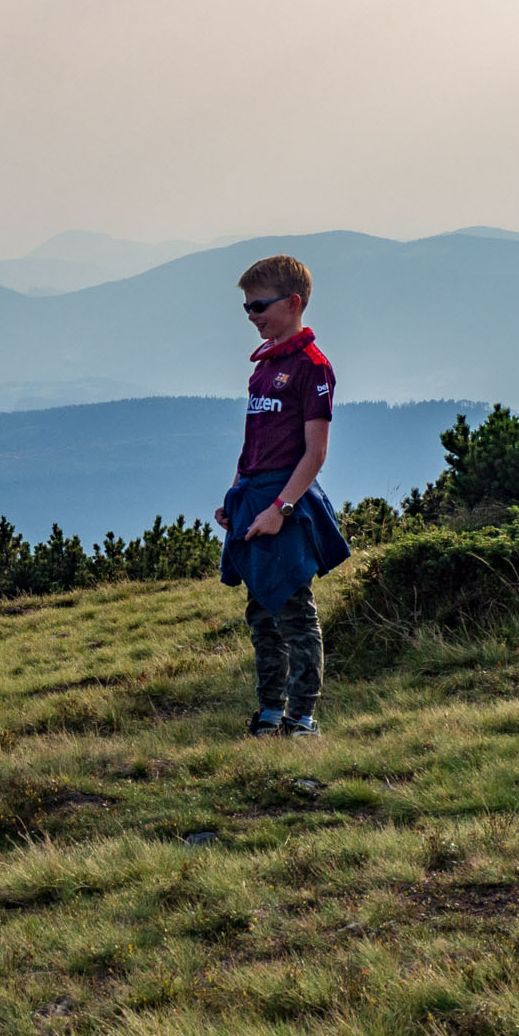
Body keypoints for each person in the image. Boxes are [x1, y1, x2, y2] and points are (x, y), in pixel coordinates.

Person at [212, 255, 351, 739]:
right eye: (246, 309)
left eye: (258, 306)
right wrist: (234, 497)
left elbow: (315, 454)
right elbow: (252, 444)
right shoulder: (262, 369)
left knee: (294, 610)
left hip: (285, 505)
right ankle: (269, 712)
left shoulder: (313, 368)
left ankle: (303, 719)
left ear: (293, 304)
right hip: (253, 500)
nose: (251, 316)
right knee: (260, 613)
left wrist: (279, 511)